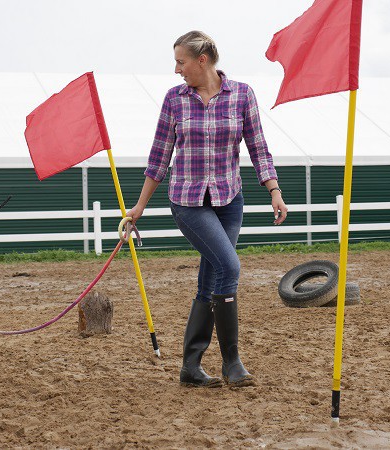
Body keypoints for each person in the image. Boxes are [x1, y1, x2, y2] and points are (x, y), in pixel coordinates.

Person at [126, 31, 288, 388]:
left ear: (202, 60)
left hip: (229, 200)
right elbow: (159, 157)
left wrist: (274, 190)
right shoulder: (174, 99)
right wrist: (139, 206)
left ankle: (191, 367)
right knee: (229, 266)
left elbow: (258, 147)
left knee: (212, 278)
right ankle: (232, 362)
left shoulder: (242, 94)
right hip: (188, 202)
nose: (176, 70)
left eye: (180, 62)